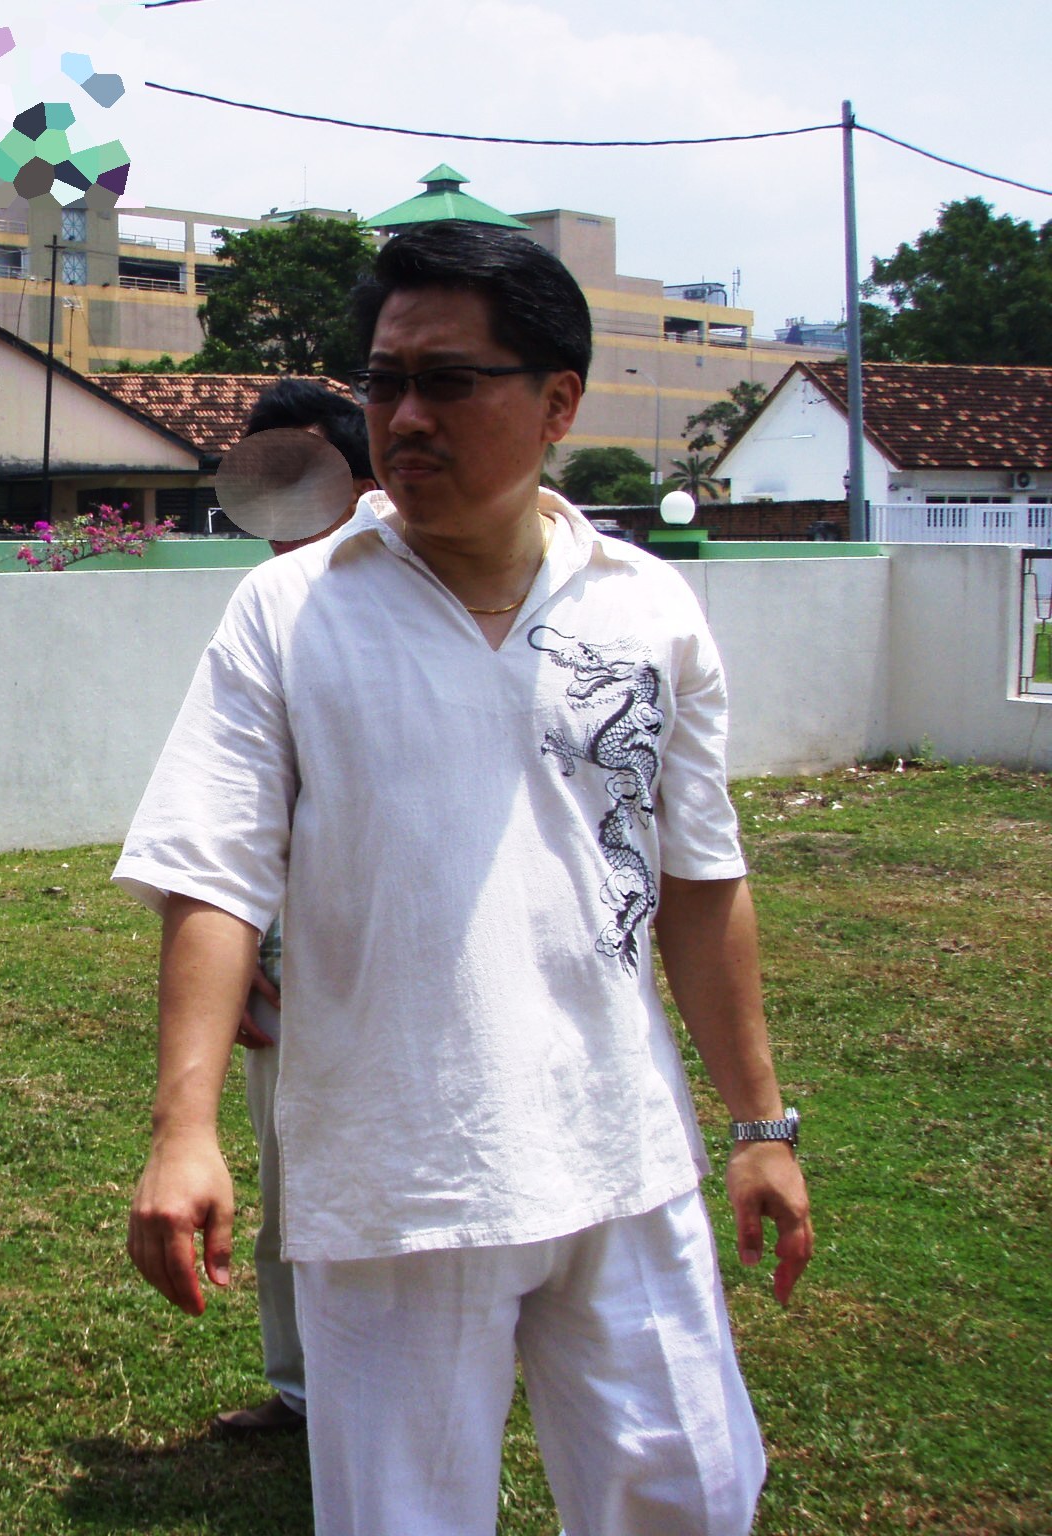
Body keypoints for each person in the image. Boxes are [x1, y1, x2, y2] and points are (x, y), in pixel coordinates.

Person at [116, 220, 812, 1535]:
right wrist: (184, 1128)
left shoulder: (648, 609)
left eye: (449, 382)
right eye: (385, 382)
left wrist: (760, 1126)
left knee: (693, 1498)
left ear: (557, 401)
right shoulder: (292, 609)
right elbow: (213, 874)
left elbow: (701, 884)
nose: (406, 417)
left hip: (623, 1154)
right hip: (395, 1177)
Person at [211, 378, 378, 1441]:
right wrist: (240, 962)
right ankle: (302, 1392)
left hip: (388, 955)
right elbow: (231, 817)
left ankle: (375, 1391)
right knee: (287, 1183)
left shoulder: (405, 596)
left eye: (303, 464)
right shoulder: (262, 610)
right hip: (283, 958)